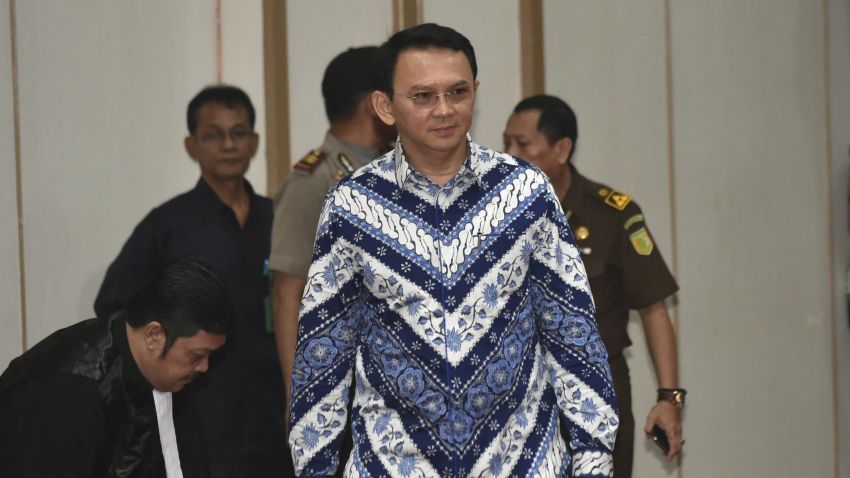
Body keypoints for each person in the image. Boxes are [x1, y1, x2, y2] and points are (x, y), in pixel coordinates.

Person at [288, 24, 618, 477]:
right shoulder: (351, 206)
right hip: (395, 467)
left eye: (458, 91)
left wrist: (593, 458)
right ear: (385, 105)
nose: (444, 110)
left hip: (521, 463)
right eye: (423, 96)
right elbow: (322, 355)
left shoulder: (525, 192)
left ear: (475, 92)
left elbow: (573, 334)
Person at [94, 86, 286, 477]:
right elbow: (114, 308)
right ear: (191, 145)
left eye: (239, 132)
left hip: (273, 416)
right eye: (214, 134)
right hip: (198, 414)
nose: (229, 145)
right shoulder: (167, 225)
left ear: (255, 142)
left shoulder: (278, 220)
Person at [503, 94, 685, 476]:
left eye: (522, 144)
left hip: (595, 389)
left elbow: (653, 308)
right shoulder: (489, 215)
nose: (509, 154)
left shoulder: (612, 215)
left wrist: (669, 398)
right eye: (506, 143)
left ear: (562, 148)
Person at [0, 257, 230, 478]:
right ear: (154, 335)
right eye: (197, 355)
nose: (204, 367)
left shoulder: (170, 374)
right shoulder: (66, 393)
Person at [271, 46, 396, 420]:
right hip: (346, 390)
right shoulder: (315, 181)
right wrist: (302, 400)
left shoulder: (399, 169)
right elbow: (286, 297)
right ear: (372, 103)